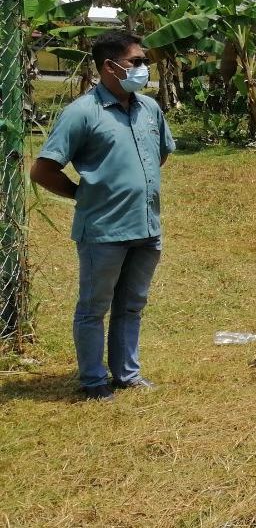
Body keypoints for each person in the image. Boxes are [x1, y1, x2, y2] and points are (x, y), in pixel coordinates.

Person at [31, 31, 176, 401]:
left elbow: (160, 152)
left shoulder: (149, 109)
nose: (143, 68)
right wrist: (82, 194)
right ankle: (94, 380)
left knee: (131, 305)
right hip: (103, 230)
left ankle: (127, 374)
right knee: (94, 308)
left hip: (146, 227)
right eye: (136, 62)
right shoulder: (82, 113)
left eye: (144, 61)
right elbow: (43, 170)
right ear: (110, 67)